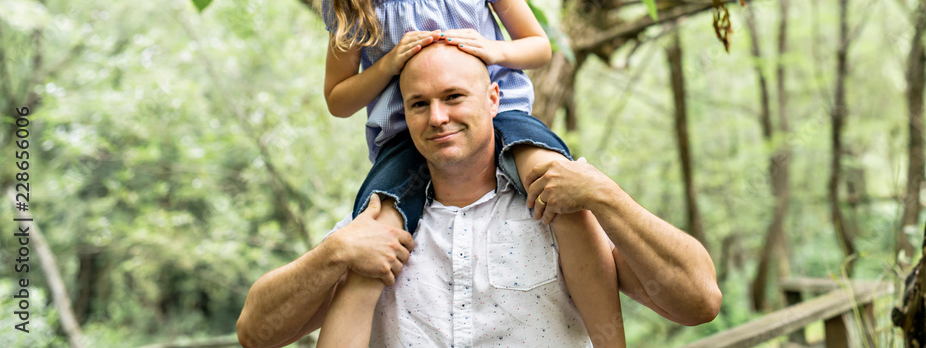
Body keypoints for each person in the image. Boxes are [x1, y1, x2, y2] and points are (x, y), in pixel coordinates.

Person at [315, 0, 622, 346]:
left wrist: (491, 49)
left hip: (500, 119)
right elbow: (339, 100)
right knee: (370, 243)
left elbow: (539, 46)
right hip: (408, 140)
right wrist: (386, 65)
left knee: (559, 192)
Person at [235, 43, 722, 347]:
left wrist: (608, 197)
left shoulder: (559, 206)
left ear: (492, 99)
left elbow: (698, 301)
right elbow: (256, 332)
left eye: (453, 97)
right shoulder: (378, 228)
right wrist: (332, 253)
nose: (438, 117)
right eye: (419, 105)